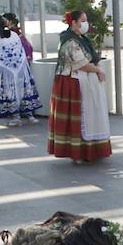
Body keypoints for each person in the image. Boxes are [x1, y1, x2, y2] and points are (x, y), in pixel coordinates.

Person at [48, 9, 111, 163]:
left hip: (84, 81)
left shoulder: (80, 38)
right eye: (82, 20)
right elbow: (80, 63)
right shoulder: (69, 40)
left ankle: (92, 150)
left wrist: (95, 69)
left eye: (85, 20)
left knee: (91, 116)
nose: (85, 23)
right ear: (73, 23)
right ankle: (78, 152)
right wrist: (97, 70)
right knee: (80, 117)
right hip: (74, 83)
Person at [0, 13, 40, 127]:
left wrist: (1, 70)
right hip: (20, 68)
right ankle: (30, 116)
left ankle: (16, 118)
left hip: (5, 72)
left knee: (10, 93)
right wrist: (17, 65)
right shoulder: (14, 35)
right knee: (23, 90)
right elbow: (20, 51)